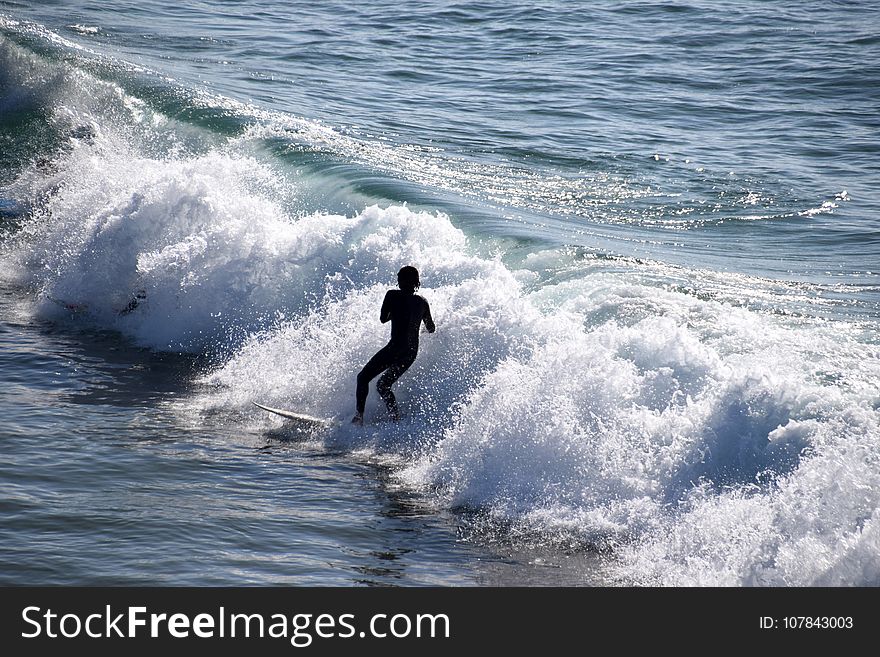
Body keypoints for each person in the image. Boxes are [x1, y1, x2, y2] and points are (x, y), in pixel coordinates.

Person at [353, 266, 435, 425]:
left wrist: (397, 313)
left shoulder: (392, 295)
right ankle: (394, 418)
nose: (397, 281)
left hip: (395, 348)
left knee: (363, 378)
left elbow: (383, 318)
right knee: (383, 386)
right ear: (416, 282)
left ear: (402, 281)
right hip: (410, 353)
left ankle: (358, 417)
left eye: (399, 278)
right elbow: (431, 328)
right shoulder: (422, 302)